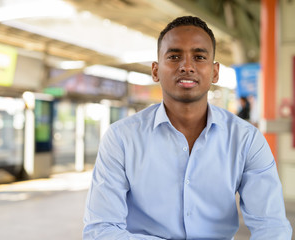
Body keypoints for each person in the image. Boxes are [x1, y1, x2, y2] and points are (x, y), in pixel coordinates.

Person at [83, 16, 292, 239]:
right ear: (155, 70)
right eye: (174, 56)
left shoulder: (246, 139)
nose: (187, 66)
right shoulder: (121, 138)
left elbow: (271, 225)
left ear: (215, 72)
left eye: (199, 57)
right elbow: (100, 229)